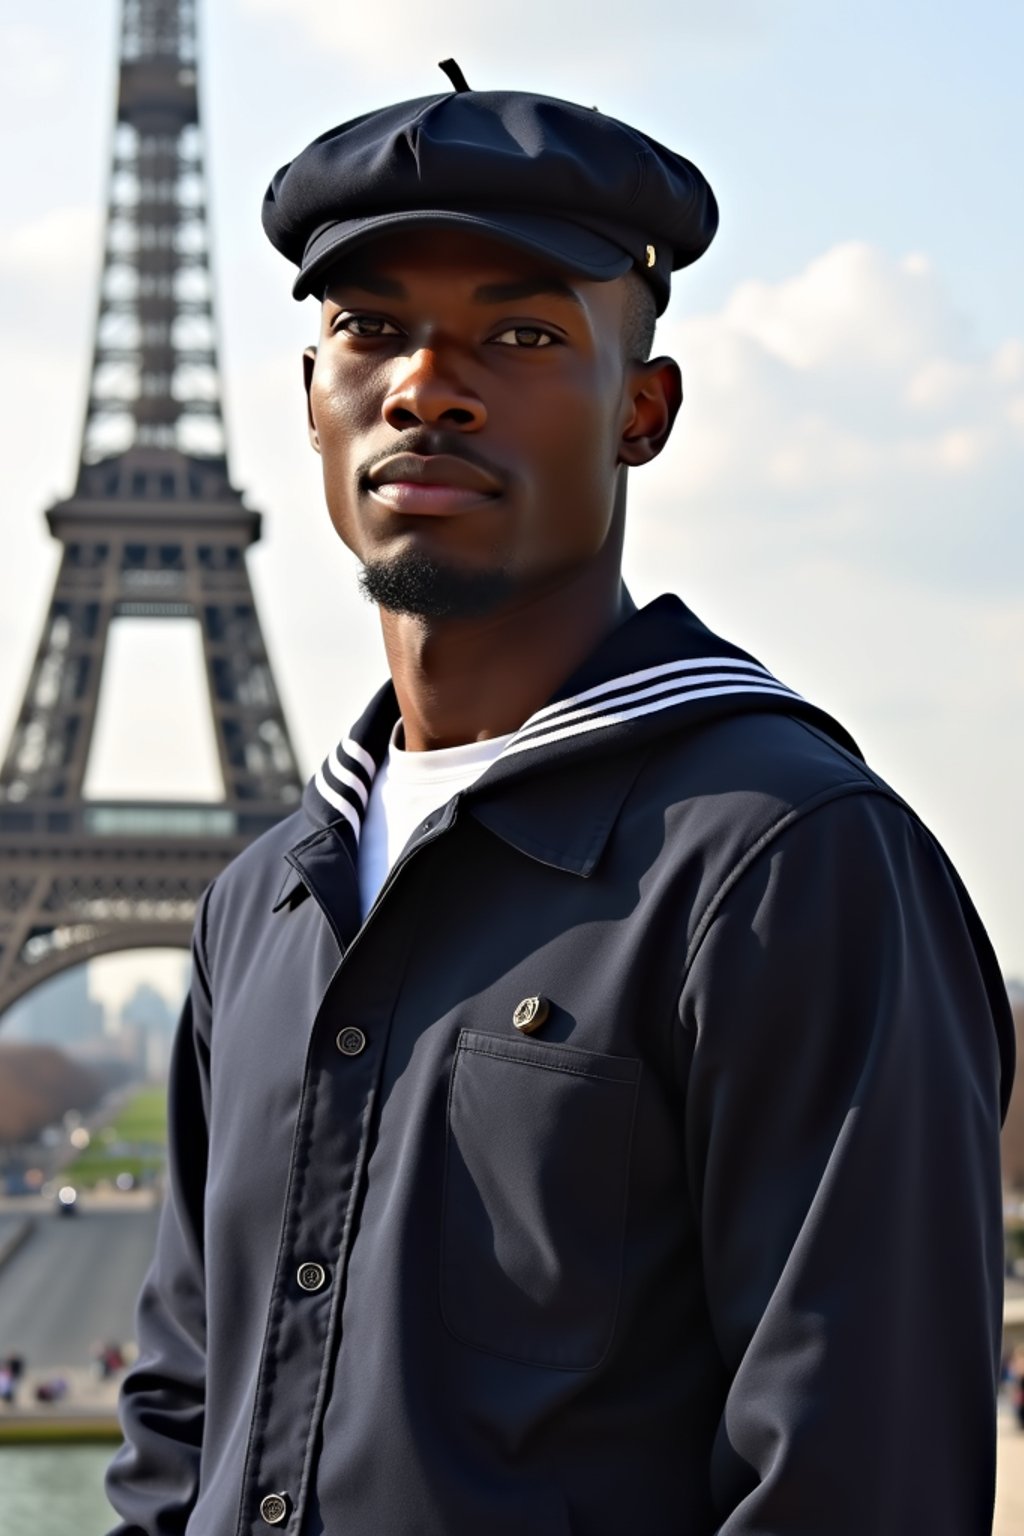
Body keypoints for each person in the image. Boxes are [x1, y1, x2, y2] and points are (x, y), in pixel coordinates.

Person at [106, 66, 1014, 1536]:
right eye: (371, 330)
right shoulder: (259, 904)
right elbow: (182, 1426)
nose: (426, 382)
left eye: (521, 334)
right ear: (313, 401)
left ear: (640, 411)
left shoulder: (790, 867)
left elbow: (859, 1485)